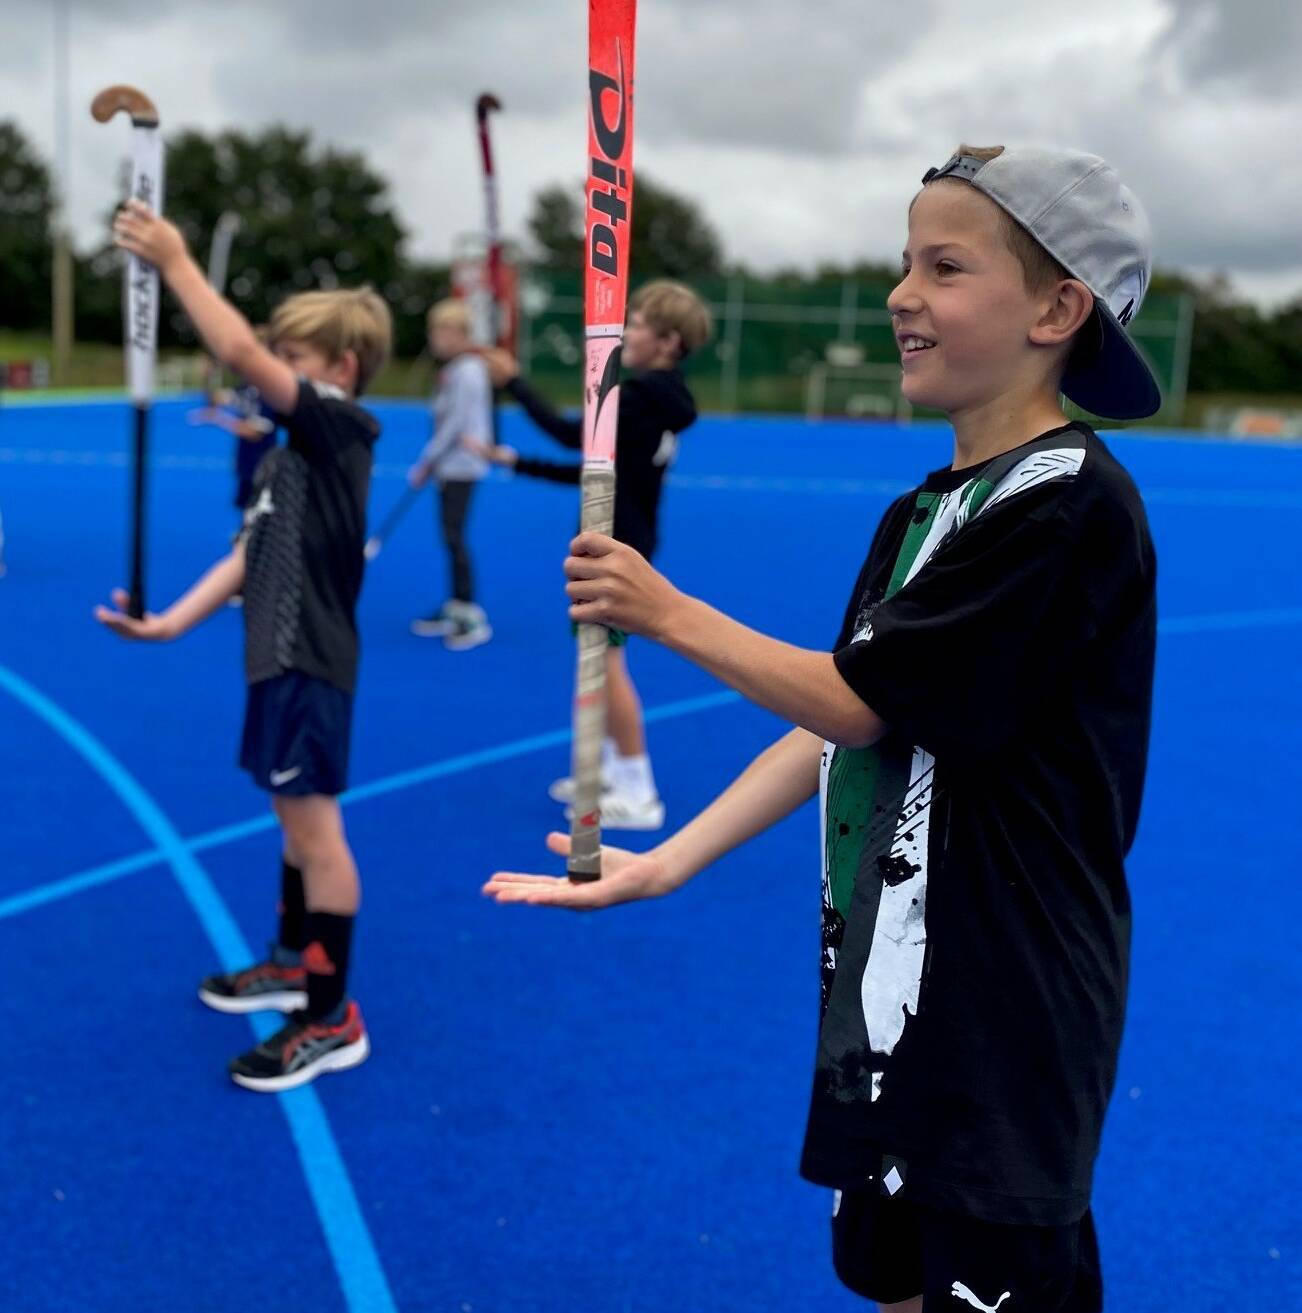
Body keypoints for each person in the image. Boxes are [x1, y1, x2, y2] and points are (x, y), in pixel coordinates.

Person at [484, 146, 1161, 1312]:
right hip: (887, 993)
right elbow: (852, 723)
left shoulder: (1067, 505)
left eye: (945, 266)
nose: (903, 292)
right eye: (907, 261)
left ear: (1059, 309)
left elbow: (848, 698)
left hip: (1003, 1014)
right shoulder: (924, 509)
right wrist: (668, 862)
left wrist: (666, 608)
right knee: (891, 1278)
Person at [98, 197, 392, 1093]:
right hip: (271, 657)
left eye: (292, 357)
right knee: (287, 819)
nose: (272, 371)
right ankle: (291, 957)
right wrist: (172, 622)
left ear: (339, 367)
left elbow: (236, 354)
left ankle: (330, 1014)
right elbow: (243, 554)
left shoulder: (338, 428)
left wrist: (177, 261)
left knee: (316, 828)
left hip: (309, 660)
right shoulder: (283, 456)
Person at [480, 278, 711, 829]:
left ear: (669, 341)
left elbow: (570, 435)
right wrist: (515, 462)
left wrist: (514, 382)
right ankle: (609, 768)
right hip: (621, 539)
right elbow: (595, 469)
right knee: (597, 659)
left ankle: (638, 789)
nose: (626, 331)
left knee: (605, 663)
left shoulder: (636, 399)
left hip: (615, 546)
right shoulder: (657, 401)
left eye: (638, 323)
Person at [407, 299, 493, 651]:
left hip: (461, 465)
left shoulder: (469, 370)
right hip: (450, 464)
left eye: (441, 331)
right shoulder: (456, 368)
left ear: (459, 333)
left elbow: (456, 423)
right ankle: (456, 604)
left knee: (455, 536)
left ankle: (469, 611)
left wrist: (426, 461)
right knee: (450, 535)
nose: (435, 338)